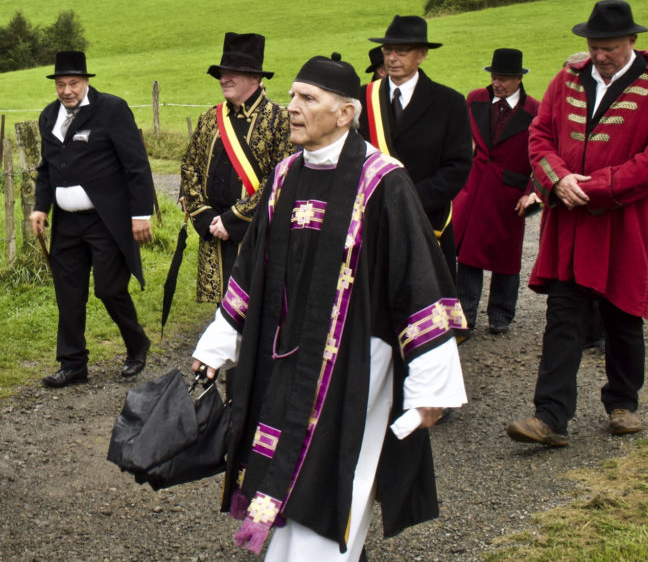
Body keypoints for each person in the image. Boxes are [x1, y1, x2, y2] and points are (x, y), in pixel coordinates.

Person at [192, 53, 467, 560]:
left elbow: (417, 282)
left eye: (308, 98)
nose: (292, 107)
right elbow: (253, 267)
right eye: (293, 95)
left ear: (344, 114)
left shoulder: (383, 182)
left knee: (333, 480)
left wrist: (431, 385)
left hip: (355, 364)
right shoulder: (284, 176)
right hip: (288, 357)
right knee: (288, 473)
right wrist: (218, 344)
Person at [506, 0, 648, 447]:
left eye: (608, 47)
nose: (600, 55)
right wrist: (558, 178)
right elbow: (541, 135)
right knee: (563, 316)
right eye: (594, 47)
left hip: (628, 222)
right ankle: (549, 418)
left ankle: (623, 402)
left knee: (623, 314)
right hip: (570, 222)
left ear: (632, 41)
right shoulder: (566, 79)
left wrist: (598, 186)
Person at [30, 51, 154, 388]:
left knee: (110, 289)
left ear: (86, 81)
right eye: (61, 84)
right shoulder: (48, 117)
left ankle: (136, 343)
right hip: (67, 225)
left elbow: (137, 165)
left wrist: (141, 214)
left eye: (73, 83)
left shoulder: (112, 110)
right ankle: (72, 364)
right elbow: (46, 170)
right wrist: (41, 207)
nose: (67, 90)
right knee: (68, 293)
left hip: (105, 220)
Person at [181, 32, 293, 303]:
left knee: (258, 309)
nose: (224, 78)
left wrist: (233, 220)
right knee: (223, 311)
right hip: (213, 230)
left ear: (256, 78)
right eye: (222, 72)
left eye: (235, 72)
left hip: (257, 232)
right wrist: (206, 218)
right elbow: (189, 168)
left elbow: (282, 179)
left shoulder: (280, 119)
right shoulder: (209, 118)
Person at [359, 15, 472, 277]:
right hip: (370, 219)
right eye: (388, 50)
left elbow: (458, 166)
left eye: (402, 51)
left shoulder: (449, 103)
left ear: (422, 54)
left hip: (426, 219)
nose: (392, 58)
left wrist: (410, 201)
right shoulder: (362, 98)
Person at [453, 48, 540, 334]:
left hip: (509, 193)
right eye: (494, 77)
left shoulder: (534, 111)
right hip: (473, 187)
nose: (497, 84)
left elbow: (542, 154)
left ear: (518, 79)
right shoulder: (475, 99)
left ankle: (501, 315)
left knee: (507, 255)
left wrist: (531, 192)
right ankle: (465, 313)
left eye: (503, 78)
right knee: (467, 254)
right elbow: (463, 137)